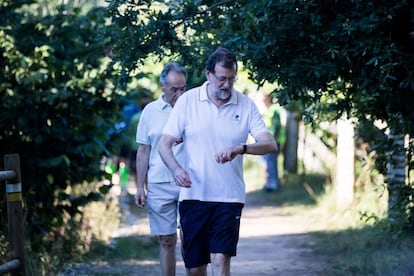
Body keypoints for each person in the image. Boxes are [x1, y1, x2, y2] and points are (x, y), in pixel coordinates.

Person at [158, 47, 277, 276]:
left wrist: (241, 149)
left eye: (231, 79)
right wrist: (175, 169)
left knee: (221, 259)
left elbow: (270, 144)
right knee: (195, 269)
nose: (226, 85)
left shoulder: (245, 104)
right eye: (221, 79)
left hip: (228, 197)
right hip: (193, 196)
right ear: (208, 75)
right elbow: (165, 143)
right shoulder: (188, 101)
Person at [134, 62, 187, 276]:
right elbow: (143, 150)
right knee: (166, 240)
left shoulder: (191, 107)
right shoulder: (150, 112)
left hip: (189, 183)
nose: (179, 93)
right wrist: (140, 186)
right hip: (159, 183)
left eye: (183, 88)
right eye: (174, 89)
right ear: (162, 86)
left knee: (190, 238)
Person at [261, 93, 286, 192]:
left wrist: (270, 141)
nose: (262, 101)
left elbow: (276, 127)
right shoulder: (269, 111)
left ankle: (273, 185)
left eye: (264, 99)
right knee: (268, 163)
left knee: (271, 163)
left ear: (268, 99)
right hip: (268, 142)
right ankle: (269, 184)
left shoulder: (274, 110)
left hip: (273, 142)